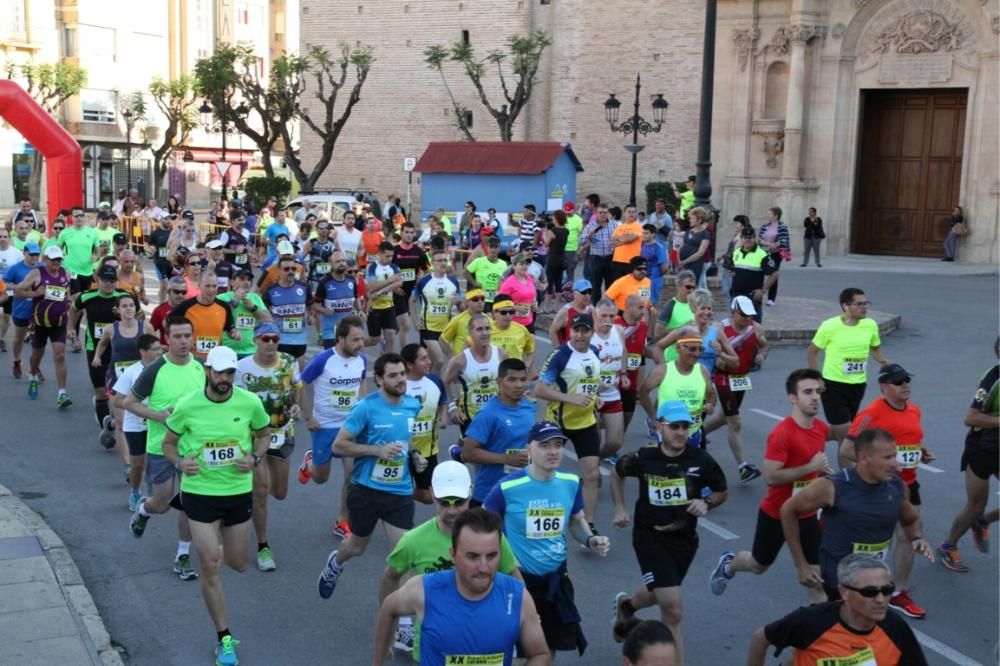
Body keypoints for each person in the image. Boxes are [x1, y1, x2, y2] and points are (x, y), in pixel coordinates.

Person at [162, 345, 271, 666]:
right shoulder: (188, 406)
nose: (225, 379)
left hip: (238, 493)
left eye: (230, 373)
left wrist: (255, 457)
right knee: (209, 565)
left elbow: (264, 434)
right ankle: (224, 638)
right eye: (220, 372)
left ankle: (218, 550)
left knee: (237, 563)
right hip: (199, 494)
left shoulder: (249, 402)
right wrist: (180, 463)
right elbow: (168, 443)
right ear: (207, 371)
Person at [611, 400, 728, 664]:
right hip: (649, 536)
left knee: (659, 590)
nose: (680, 432)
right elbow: (616, 473)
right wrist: (619, 507)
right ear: (658, 426)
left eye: (685, 427)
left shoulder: (700, 460)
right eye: (674, 426)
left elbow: (722, 491)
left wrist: (706, 501)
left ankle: (627, 607)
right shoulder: (644, 458)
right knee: (673, 610)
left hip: (685, 540)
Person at [485, 421, 609, 658]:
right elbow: (483, 528)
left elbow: (575, 520)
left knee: (546, 650)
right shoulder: (508, 487)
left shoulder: (570, 482)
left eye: (558, 445)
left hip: (556, 579)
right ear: (529, 449)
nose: (553, 451)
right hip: (519, 580)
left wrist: (590, 539)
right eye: (545, 445)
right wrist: (503, 560)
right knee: (512, 651)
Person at [709, 368, 833, 602]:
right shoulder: (782, 434)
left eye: (818, 391)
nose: (815, 396)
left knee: (816, 577)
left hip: (806, 514)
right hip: (775, 513)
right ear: (793, 398)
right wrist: (810, 468)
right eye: (808, 392)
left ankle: (818, 635)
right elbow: (771, 477)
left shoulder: (820, 429)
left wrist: (819, 470)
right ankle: (729, 564)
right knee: (758, 565)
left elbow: (814, 457)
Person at [373, 508, 550, 666]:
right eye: (472, 556)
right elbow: (389, 608)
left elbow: (540, 654)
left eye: (491, 556)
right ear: (453, 555)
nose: (483, 567)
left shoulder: (518, 596)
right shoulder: (423, 590)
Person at [379, 459, 522, 654]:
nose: (452, 510)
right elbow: (390, 578)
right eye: (445, 502)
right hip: (433, 646)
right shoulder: (413, 541)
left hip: (485, 639)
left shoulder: (490, 535)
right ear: (432, 494)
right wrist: (389, 627)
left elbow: (513, 577)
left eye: (460, 502)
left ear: (470, 492)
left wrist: (521, 620)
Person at [780, 428, 933, 601]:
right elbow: (788, 511)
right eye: (887, 458)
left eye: (895, 456)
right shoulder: (832, 487)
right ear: (863, 458)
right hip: (839, 582)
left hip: (875, 580)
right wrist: (802, 565)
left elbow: (910, 519)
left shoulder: (897, 486)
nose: (895, 464)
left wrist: (917, 538)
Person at [316, 352, 422, 599]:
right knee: (356, 547)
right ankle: (336, 563)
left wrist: (415, 455)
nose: (400, 380)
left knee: (404, 555)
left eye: (402, 374)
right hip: (367, 489)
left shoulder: (412, 405)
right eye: (393, 376)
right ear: (380, 381)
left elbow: (407, 439)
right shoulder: (365, 408)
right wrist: (377, 450)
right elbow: (338, 445)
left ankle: (404, 622)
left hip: (400, 491)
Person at [123, 316, 203, 582]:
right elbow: (129, 402)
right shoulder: (156, 368)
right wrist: (158, 415)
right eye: (177, 337)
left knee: (191, 504)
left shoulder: (200, 368)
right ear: (167, 339)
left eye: (187, 336)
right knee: (163, 503)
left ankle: (182, 554)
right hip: (160, 447)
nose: (183, 342)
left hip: (191, 448)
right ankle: (144, 510)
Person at [747, 554, 928, 666]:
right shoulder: (812, 621)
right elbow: (761, 638)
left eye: (887, 590)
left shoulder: (895, 628)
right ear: (844, 592)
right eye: (869, 592)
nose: (881, 600)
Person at [234, 322, 303, 572]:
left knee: (280, 493)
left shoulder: (288, 361)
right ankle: (263, 546)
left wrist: (298, 406)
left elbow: (298, 388)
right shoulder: (241, 368)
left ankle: (252, 495)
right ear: (255, 341)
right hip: (253, 437)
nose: (271, 343)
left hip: (282, 433)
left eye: (275, 338)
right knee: (261, 491)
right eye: (266, 339)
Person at [297, 315, 367, 538]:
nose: (360, 344)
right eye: (355, 340)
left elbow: (362, 382)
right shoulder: (323, 360)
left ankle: (342, 520)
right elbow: (300, 385)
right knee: (321, 478)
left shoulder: (362, 360)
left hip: (349, 427)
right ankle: (310, 462)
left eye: (362, 339)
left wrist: (362, 412)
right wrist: (309, 418)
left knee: (351, 477)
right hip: (324, 426)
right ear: (340, 339)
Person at [535, 313, 604, 531]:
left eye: (585, 331)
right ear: (570, 331)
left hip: (586, 422)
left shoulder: (594, 353)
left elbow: (588, 383)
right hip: (559, 423)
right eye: (576, 330)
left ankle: (588, 525)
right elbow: (539, 389)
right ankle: (540, 514)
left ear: (592, 333)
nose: (580, 335)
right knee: (545, 471)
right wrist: (569, 398)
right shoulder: (560, 355)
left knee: (592, 474)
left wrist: (595, 397)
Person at [807, 287, 890, 461]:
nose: (864, 307)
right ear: (845, 306)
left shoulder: (870, 325)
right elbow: (812, 352)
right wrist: (817, 379)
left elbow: (874, 348)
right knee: (846, 437)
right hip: (833, 385)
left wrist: (883, 361)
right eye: (859, 304)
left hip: (858, 385)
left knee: (844, 429)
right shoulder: (829, 326)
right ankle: (847, 479)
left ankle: (805, 440)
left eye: (866, 303)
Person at [939, 336, 999, 573]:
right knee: (976, 505)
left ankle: (984, 521)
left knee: (980, 512)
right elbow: (971, 418)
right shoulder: (992, 379)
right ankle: (948, 546)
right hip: (982, 449)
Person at [702, 296, 769, 482]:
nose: (747, 319)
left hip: (741, 378)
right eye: (743, 315)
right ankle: (743, 467)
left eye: (750, 315)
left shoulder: (755, 328)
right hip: (722, 377)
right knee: (735, 421)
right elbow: (706, 350)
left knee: (725, 418)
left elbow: (764, 345)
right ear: (733, 312)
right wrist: (718, 356)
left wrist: (762, 356)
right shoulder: (720, 328)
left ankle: (700, 433)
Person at [461, 358, 535, 505]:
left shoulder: (529, 406)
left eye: (522, 380)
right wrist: (507, 459)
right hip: (489, 493)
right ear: (499, 381)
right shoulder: (488, 413)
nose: (519, 385)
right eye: (512, 380)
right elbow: (468, 453)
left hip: (521, 491)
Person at [71, 265, 138, 426]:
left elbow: (139, 314)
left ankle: (119, 423)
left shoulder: (124, 297)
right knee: (101, 392)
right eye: (105, 280)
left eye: (112, 280)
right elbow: (74, 309)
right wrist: (70, 328)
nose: (109, 284)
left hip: (120, 349)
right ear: (97, 279)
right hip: (94, 348)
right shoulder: (87, 296)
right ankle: (105, 428)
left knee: (122, 391)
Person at [111, 334, 163, 511]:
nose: (159, 352)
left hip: (157, 423)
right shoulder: (132, 372)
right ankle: (134, 491)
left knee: (154, 459)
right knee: (138, 463)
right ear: (143, 352)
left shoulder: (164, 369)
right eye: (155, 349)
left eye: (160, 348)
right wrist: (141, 406)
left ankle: (151, 490)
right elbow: (118, 400)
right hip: (135, 424)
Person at [443, 314, 505, 460]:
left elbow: (506, 380)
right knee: (478, 458)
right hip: (470, 417)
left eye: (487, 328)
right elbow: (446, 382)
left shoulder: (501, 354)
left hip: (495, 414)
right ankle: (462, 453)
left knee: (494, 453)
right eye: (479, 329)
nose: (485, 333)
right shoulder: (460, 360)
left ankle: (459, 452)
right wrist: (452, 408)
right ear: (470, 332)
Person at [17, 246, 72, 406]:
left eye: (59, 259)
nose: (56, 262)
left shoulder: (65, 273)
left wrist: (68, 301)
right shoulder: (36, 274)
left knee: (60, 355)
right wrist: (35, 294)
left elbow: (66, 293)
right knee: (36, 355)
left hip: (59, 322)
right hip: (39, 323)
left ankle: (62, 393)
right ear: (45, 259)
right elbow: (19, 291)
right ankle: (33, 373)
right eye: (53, 259)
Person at [400, 342, 449, 506]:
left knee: (428, 496)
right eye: (423, 359)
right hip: (402, 452)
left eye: (428, 357)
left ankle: (402, 495)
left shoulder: (435, 380)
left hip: (428, 450)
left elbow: (443, 399)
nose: (429, 362)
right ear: (409, 364)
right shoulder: (400, 387)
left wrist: (442, 416)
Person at [592, 299, 630, 465]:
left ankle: (595, 460)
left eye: (611, 316)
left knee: (615, 443)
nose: (608, 320)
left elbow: (624, 352)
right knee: (594, 440)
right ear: (595, 315)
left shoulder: (619, 330)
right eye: (603, 316)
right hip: (592, 395)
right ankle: (591, 468)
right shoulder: (588, 334)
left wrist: (623, 374)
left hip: (613, 393)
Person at [411, 249, 461, 371]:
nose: (443, 263)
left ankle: (431, 384)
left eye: (445, 260)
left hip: (445, 328)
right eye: (439, 260)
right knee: (440, 359)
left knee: (433, 361)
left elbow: (463, 303)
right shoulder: (424, 281)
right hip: (427, 328)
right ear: (433, 263)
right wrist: (415, 320)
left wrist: (459, 301)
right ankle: (436, 384)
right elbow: (411, 301)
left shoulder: (453, 281)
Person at [172, 271, 239, 360]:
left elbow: (230, 329)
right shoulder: (186, 306)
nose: (211, 290)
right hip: (191, 360)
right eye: (207, 286)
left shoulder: (224, 306)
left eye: (214, 286)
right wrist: (182, 341)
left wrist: (234, 334)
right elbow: (168, 324)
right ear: (199, 285)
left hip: (215, 361)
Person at [262, 256, 309, 361]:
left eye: (293, 268)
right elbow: (263, 312)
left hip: (300, 340)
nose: (290, 271)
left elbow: (311, 306)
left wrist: (311, 316)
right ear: (279, 270)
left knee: (298, 376)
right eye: (286, 269)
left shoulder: (304, 288)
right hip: (280, 341)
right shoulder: (270, 291)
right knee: (282, 375)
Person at [4, 243, 41, 378]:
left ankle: (35, 366)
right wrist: (17, 287)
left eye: (37, 254)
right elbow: (3, 283)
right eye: (32, 254)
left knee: (38, 340)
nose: (35, 257)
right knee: (19, 338)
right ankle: (17, 361)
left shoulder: (42, 267)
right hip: (21, 309)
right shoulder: (15, 268)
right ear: (24, 253)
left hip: (39, 310)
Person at [217, 269, 271, 359]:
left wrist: (253, 308)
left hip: (251, 351)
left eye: (249, 280)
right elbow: (218, 318)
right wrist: (234, 301)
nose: (246, 282)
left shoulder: (255, 298)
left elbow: (268, 320)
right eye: (242, 279)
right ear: (232, 282)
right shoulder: (222, 297)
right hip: (227, 350)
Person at [728, 226, 778, 322]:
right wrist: (732, 272)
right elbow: (732, 269)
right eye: (745, 237)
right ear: (741, 238)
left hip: (752, 297)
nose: (748, 240)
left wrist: (762, 291)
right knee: (736, 326)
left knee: (753, 327)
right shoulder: (736, 252)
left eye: (750, 237)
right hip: (736, 295)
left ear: (754, 238)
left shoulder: (762, 254)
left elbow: (775, 273)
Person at [392, 221, 430, 344]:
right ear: (401, 234)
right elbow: (385, 271)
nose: (409, 235)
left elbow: (427, 270)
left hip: (412, 293)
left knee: (398, 326)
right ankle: (406, 356)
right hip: (397, 292)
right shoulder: (394, 251)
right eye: (406, 232)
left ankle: (387, 338)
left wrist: (420, 282)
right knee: (406, 325)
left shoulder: (418, 252)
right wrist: (393, 287)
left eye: (411, 233)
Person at [365, 241, 403, 351]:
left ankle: (388, 362)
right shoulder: (371, 267)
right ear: (380, 254)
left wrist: (382, 291)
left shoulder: (394, 267)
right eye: (387, 256)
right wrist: (390, 280)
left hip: (388, 307)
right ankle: (355, 346)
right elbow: (371, 287)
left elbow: (399, 283)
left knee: (391, 335)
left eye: (392, 256)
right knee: (374, 339)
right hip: (374, 308)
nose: (390, 258)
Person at [577, 204, 617, 301]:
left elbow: (619, 239)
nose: (603, 215)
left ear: (608, 213)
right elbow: (580, 241)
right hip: (596, 259)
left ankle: (609, 307)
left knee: (611, 286)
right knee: (595, 286)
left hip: (610, 258)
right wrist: (589, 235)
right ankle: (595, 308)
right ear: (597, 214)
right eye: (600, 212)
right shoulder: (591, 225)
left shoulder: (614, 225)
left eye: (605, 212)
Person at [438, 288, 486, 357]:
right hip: (462, 363)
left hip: (481, 361)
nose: (480, 302)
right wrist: (452, 357)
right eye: (475, 300)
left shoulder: (488, 320)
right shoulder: (458, 319)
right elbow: (442, 340)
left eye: (482, 299)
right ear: (467, 303)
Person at [465, 236, 507, 311]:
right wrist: (474, 283)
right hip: (482, 299)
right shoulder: (479, 261)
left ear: (499, 249)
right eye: (491, 247)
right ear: (487, 248)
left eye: (496, 247)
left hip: (497, 299)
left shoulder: (503, 264)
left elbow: (506, 280)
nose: (493, 250)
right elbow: (466, 272)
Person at [758, 206, 790, 305]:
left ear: (776, 216)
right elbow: (759, 240)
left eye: (770, 214)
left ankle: (771, 299)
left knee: (773, 274)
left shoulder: (782, 227)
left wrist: (771, 247)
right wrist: (769, 245)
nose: (768, 216)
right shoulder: (765, 226)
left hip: (776, 254)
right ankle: (758, 293)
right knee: (760, 273)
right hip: (763, 253)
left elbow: (783, 241)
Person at [548, 279, 595, 346]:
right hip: (569, 353)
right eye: (583, 292)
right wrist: (560, 351)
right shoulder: (565, 311)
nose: (587, 295)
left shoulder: (592, 310)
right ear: (574, 294)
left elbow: (595, 332)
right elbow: (552, 332)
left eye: (590, 292)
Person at [677, 207, 712, 289]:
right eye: (690, 218)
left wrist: (684, 261)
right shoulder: (688, 231)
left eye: (692, 218)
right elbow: (680, 247)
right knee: (683, 286)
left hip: (695, 264)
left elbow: (700, 253)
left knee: (692, 287)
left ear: (699, 220)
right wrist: (679, 260)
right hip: (683, 264)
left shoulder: (705, 233)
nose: (690, 220)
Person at [542, 210, 569, 313]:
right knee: (558, 282)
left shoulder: (552, 231)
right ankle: (556, 307)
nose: (552, 219)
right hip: (561, 258)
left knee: (549, 282)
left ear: (557, 219)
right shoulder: (566, 231)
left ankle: (546, 307)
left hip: (552, 258)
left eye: (553, 217)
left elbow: (546, 243)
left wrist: (545, 232)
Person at [150, 277, 189, 345]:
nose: (180, 295)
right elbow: (149, 331)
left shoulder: (191, 308)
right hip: (167, 352)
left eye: (183, 292)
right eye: (176, 292)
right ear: (168, 291)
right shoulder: (159, 311)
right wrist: (159, 346)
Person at [611, 204, 643, 281]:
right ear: (624, 214)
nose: (631, 213)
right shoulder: (619, 227)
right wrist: (625, 239)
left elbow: (630, 239)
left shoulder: (638, 227)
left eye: (633, 212)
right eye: (629, 212)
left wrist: (620, 239)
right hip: (617, 261)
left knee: (631, 286)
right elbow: (612, 242)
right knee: (618, 286)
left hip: (632, 262)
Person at [640, 224, 669, 307]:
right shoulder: (641, 245)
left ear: (653, 234)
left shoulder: (659, 248)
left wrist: (657, 275)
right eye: (643, 233)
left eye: (646, 233)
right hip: (643, 281)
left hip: (654, 281)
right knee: (644, 304)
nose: (644, 235)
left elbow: (664, 267)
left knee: (653, 305)